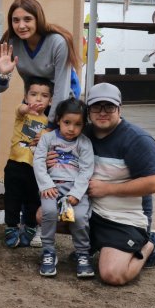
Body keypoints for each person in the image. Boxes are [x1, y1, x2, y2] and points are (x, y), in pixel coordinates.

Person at [84, 83, 155, 285]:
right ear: (88, 110)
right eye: (96, 107)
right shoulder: (82, 133)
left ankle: (150, 244)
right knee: (43, 214)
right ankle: (97, 244)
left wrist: (107, 188)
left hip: (124, 218)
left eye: (109, 107)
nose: (102, 112)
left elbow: (154, 184)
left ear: (120, 108)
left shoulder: (137, 140)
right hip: (90, 211)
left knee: (112, 275)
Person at [0, 0, 81, 122]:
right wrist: (3, 74)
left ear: (38, 19)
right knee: (26, 141)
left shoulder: (58, 43)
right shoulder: (11, 43)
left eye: (27, 19)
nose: (21, 26)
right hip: (34, 106)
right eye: (16, 20)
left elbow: (62, 91)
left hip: (63, 105)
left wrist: (51, 126)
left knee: (51, 141)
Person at [33, 98, 95, 278]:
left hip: (76, 189)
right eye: (67, 122)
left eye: (78, 124)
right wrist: (46, 184)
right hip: (52, 187)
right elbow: (38, 162)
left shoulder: (84, 143)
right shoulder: (47, 138)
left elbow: (86, 170)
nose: (71, 128)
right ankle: (48, 252)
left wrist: (76, 193)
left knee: (81, 217)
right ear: (59, 119)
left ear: (83, 125)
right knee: (49, 213)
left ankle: (83, 254)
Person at [3, 77, 53, 249]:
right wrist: (27, 108)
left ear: (51, 100)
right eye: (33, 94)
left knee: (33, 200)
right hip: (15, 164)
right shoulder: (22, 113)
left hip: (35, 169)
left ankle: (30, 228)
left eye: (44, 95)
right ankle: (11, 228)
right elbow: (21, 109)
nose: (38, 99)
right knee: (12, 199)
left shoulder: (48, 124)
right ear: (26, 97)